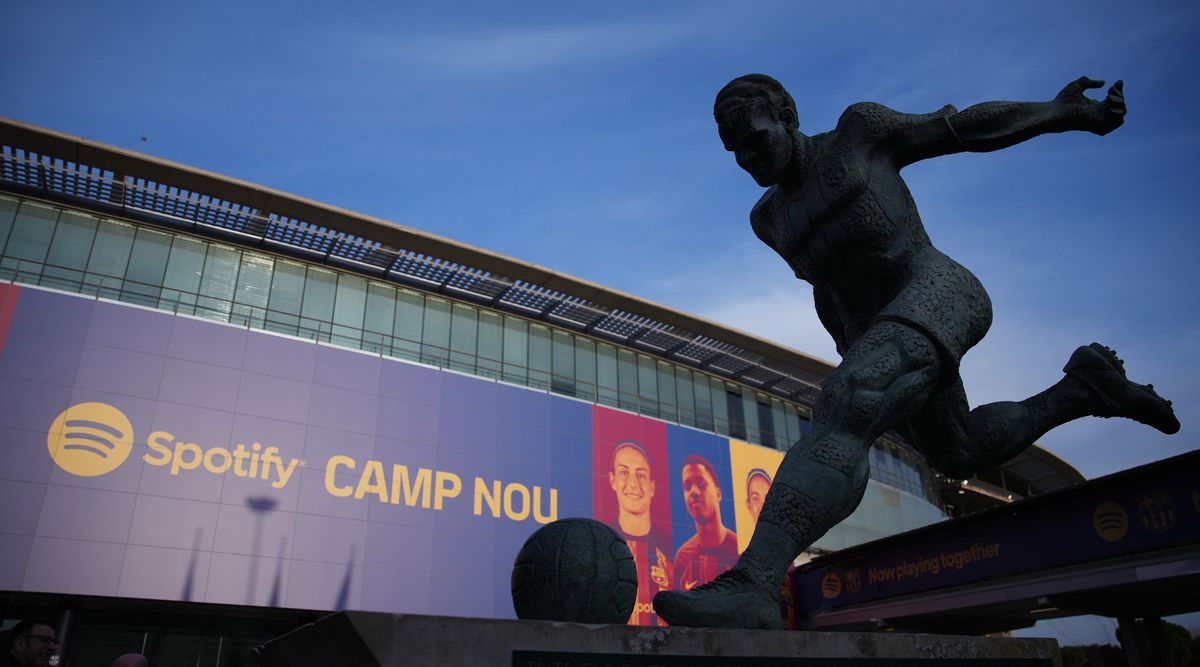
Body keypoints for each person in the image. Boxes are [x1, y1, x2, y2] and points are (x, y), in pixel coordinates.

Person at [653, 74, 1179, 629]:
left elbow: (962, 128)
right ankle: (1083, 389)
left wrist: (1059, 111)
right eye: (734, 151)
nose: (746, 159)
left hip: (940, 290)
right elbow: (829, 290)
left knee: (844, 408)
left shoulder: (858, 134)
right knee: (959, 451)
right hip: (885, 328)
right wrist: (852, 349)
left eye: (754, 139)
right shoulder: (770, 220)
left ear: (786, 117)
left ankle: (753, 584)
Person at [607, 440, 671, 625]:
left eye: (641, 475)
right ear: (613, 480)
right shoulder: (603, 543)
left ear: (652, 486)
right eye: (624, 473)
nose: (633, 483)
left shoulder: (670, 549)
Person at [673, 454, 739, 591]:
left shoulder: (739, 550)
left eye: (701, 484)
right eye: (687, 486)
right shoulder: (682, 557)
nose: (694, 492)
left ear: (718, 494)